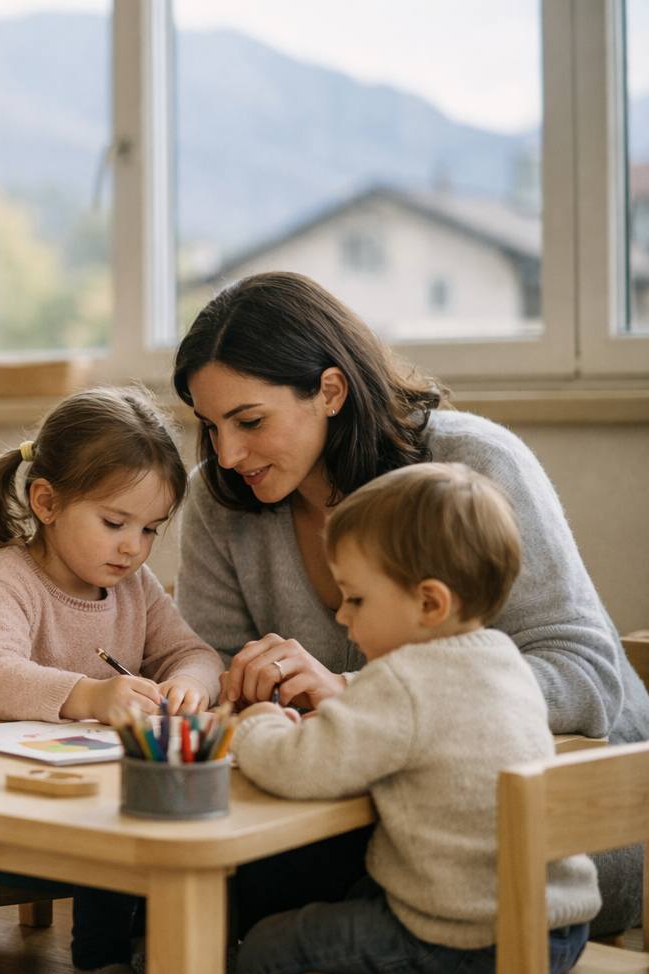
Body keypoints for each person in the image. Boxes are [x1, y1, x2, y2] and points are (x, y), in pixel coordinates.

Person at [172, 271, 647, 936]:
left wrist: (351, 690)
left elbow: (588, 678)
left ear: (330, 390)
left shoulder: (472, 464)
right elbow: (215, 669)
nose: (227, 453)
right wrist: (234, 686)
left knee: (251, 908)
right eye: (210, 425)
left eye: (250, 421)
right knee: (200, 877)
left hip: (538, 849)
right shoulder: (219, 499)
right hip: (357, 812)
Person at [230, 462, 600, 974]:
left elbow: (301, 767)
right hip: (559, 925)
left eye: (356, 599)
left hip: (470, 939)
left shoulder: (402, 681)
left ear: (430, 604)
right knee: (351, 894)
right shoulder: (506, 662)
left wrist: (258, 721)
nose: (341, 614)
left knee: (266, 951)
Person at [0, 386, 225, 974]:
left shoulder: (134, 587)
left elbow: (192, 652)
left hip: (58, 792)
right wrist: (89, 694)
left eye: (150, 530)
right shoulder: (6, 578)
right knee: (118, 816)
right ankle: (98, 966)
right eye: (114, 523)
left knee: (155, 802)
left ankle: (143, 945)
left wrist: (190, 686)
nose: (133, 548)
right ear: (47, 502)